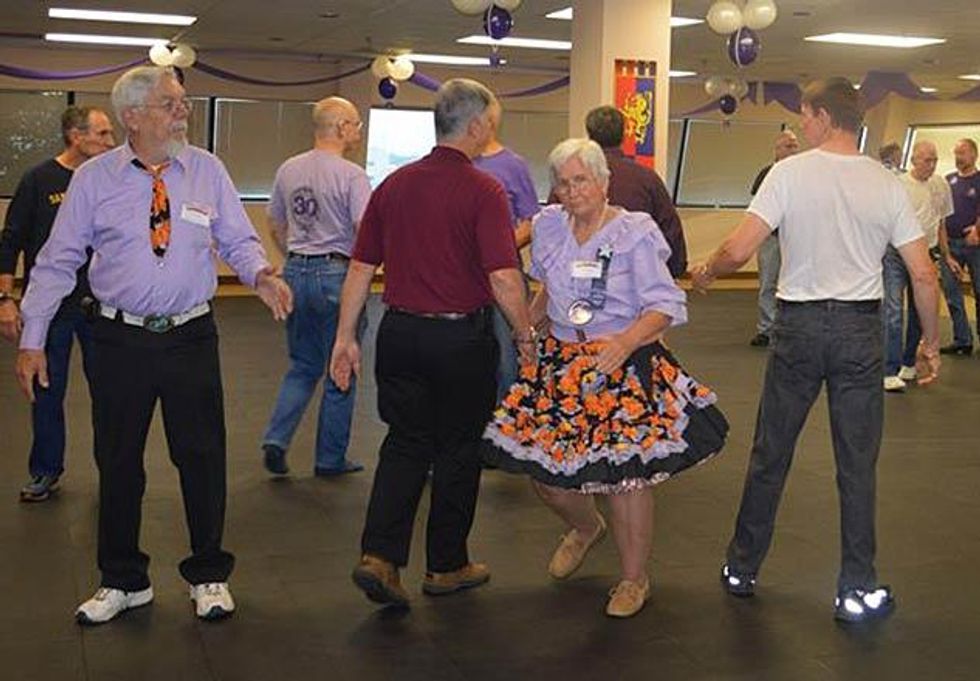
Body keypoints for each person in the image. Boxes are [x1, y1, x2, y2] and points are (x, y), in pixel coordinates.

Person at [15, 66, 293, 625]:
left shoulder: (207, 170)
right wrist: (33, 338)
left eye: (182, 102)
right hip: (118, 339)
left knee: (202, 455)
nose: (182, 111)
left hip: (192, 335)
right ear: (134, 116)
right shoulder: (94, 179)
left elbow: (236, 237)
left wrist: (260, 274)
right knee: (117, 460)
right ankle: (122, 579)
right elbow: (57, 260)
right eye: (170, 103)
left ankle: (209, 574)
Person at [691, 77, 942, 623]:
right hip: (860, 334)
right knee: (858, 466)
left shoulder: (788, 173)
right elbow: (923, 274)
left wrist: (709, 269)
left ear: (826, 116)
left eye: (805, 116)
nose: (801, 126)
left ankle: (741, 567)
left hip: (799, 331)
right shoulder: (888, 184)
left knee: (771, 453)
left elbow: (739, 248)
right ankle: (857, 588)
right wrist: (930, 342)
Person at [483, 138, 728, 619]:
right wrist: (530, 330)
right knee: (546, 476)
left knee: (627, 480)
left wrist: (624, 343)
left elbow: (665, 304)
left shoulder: (635, 232)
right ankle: (583, 527)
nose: (572, 192)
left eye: (581, 180)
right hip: (560, 361)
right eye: (563, 183)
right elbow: (548, 288)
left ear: (603, 182)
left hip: (620, 360)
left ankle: (634, 579)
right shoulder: (550, 225)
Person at [329, 78, 532, 609]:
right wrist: (524, 333)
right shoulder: (483, 190)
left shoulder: (393, 185)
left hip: (400, 333)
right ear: (478, 125)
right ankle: (446, 565)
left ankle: (379, 556)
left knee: (405, 441)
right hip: (459, 339)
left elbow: (359, 267)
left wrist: (345, 337)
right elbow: (503, 278)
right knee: (459, 449)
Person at [0, 105, 115, 502]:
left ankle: (114, 472)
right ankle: (46, 470)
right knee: (46, 390)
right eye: (101, 134)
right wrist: (5, 299)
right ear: (75, 135)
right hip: (53, 310)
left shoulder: (110, 180)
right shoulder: (39, 180)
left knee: (111, 394)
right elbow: (10, 241)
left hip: (99, 306)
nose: (109, 142)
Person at [260, 97, 371, 477]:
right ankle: (329, 458)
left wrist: (294, 257)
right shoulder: (351, 175)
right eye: (355, 124)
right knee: (342, 365)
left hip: (296, 270)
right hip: (336, 276)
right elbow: (365, 231)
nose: (358, 131)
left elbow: (275, 222)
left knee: (303, 366)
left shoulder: (289, 169)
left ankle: (276, 438)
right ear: (341, 128)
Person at [473, 100, 540, 400]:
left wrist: (495, 249)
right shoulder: (457, 164)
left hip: (503, 275)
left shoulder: (513, 165)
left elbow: (529, 222)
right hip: (460, 282)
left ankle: (507, 429)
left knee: (506, 360)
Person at [582, 105, 688, 278]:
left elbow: (552, 227)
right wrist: (673, 270)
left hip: (582, 273)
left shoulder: (573, 178)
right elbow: (669, 227)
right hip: (635, 275)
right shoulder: (646, 178)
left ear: (589, 135)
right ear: (624, 135)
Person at [883, 141, 954, 391]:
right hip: (896, 253)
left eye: (934, 160)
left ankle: (908, 363)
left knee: (919, 311)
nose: (931, 165)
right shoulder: (899, 185)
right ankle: (889, 370)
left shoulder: (941, 184)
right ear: (913, 160)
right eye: (927, 160)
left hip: (927, 251)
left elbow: (942, 222)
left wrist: (946, 255)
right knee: (893, 310)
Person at [748, 130, 800, 347]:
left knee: (796, 286)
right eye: (788, 146)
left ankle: (792, 331)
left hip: (797, 238)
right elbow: (757, 209)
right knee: (768, 284)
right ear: (777, 150)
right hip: (771, 237)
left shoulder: (804, 174)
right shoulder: (766, 174)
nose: (793, 149)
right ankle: (767, 329)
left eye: (795, 145)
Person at [938, 138, 980, 355]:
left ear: (974, 154)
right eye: (956, 153)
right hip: (950, 245)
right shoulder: (948, 180)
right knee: (952, 293)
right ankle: (962, 340)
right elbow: (941, 214)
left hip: (975, 246)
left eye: (962, 153)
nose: (958, 157)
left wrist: (976, 229)